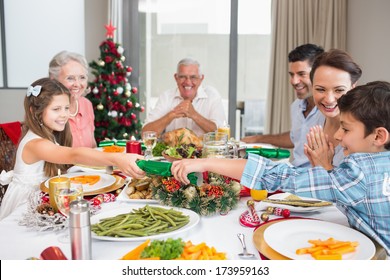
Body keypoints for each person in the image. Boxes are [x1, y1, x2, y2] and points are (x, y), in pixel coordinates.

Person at [171, 81, 390, 255]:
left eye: (345, 128)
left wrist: (205, 162)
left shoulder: (358, 171)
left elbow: (278, 176)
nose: (338, 135)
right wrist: (328, 168)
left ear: (379, 135)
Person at [0, 78, 145, 220]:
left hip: (45, 198)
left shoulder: (49, 135)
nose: (64, 114)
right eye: (56, 109)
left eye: (66, 108)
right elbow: (74, 155)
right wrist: (118, 159)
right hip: (25, 204)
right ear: (34, 111)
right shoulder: (35, 144)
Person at [241, 43, 325, 167]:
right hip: (295, 171)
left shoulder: (329, 111)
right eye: (291, 74)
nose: (294, 81)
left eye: (301, 74)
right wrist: (257, 138)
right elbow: (295, 137)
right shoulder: (296, 106)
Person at [304, 49, 362, 167]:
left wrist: (325, 165)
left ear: (353, 88)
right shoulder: (314, 118)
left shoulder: (363, 131)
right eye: (320, 89)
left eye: (339, 90)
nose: (329, 99)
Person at [142, 57, 227, 137]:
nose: (188, 82)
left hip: (206, 152)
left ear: (201, 79)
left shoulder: (212, 95)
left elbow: (221, 134)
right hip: (171, 152)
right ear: (176, 78)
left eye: (193, 77)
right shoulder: (166, 97)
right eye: (182, 77)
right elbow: (145, 134)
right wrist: (171, 115)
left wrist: (194, 115)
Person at [49, 51, 96, 148]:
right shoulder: (48, 109)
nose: (77, 84)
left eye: (82, 77)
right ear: (54, 80)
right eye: (70, 78)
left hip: (89, 163)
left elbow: (92, 144)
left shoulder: (87, 104)